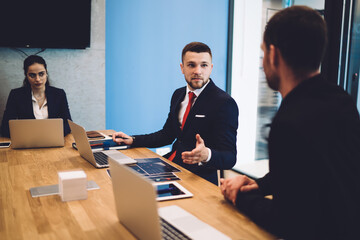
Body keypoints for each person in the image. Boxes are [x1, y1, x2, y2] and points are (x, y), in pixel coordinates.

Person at [220, 6, 360, 239]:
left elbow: (287, 221)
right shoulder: (341, 100)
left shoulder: (288, 123)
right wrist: (258, 185)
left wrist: (240, 196)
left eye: (263, 52)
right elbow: (311, 169)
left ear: (273, 55)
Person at [113, 42, 239, 185]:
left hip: (197, 178)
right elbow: (167, 135)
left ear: (211, 68)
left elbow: (230, 158)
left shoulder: (224, 103)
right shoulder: (178, 94)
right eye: (191, 65)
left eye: (203, 65)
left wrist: (206, 155)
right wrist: (133, 140)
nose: (198, 71)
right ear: (182, 68)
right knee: (121, 176)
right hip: (171, 166)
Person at [1, 55, 72, 137]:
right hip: (27, 141)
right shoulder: (16, 95)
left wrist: (49, 135)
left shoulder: (59, 94)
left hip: (53, 141)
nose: (38, 79)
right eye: (32, 75)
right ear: (26, 75)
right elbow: (5, 128)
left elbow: (68, 124)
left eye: (41, 74)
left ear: (46, 73)